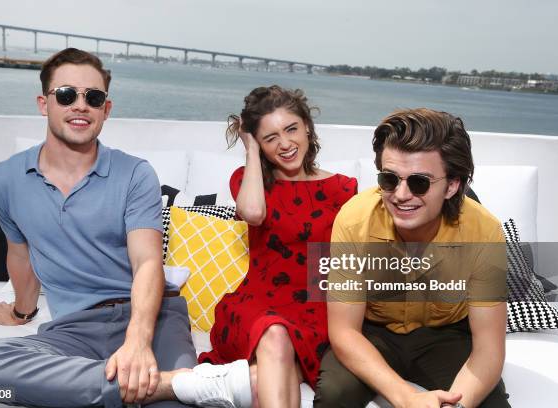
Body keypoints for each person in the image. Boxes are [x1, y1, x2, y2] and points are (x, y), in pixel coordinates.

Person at [0, 47, 251, 408]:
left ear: (106, 109)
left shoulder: (134, 173)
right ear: (44, 104)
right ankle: (176, 383)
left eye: (94, 97)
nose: (80, 105)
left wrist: (137, 342)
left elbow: (147, 263)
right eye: (67, 95)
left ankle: (144, 386)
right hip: (74, 329)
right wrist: (20, 313)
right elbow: (21, 256)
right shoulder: (4, 179)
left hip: (153, 317)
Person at [314, 108, 510, 408]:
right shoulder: (354, 220)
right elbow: (343, 331)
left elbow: (489, 349)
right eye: (390, 179)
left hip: (446, 336)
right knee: (333, 395)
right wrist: (407, 398)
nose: (401, 195)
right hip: (373, 333)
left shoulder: (485, 232)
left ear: (453, 185)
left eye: (419, 182)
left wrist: (455, 406)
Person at [196, 85, 358, 408]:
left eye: (291, 129)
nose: (284, 144)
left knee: (265, 375)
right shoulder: (248, 179)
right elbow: (253, 213)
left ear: (307, 128)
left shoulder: (343, 189)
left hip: (316, 312)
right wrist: (251, 152)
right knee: (274, 333)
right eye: (270, 138)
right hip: (257, 306)